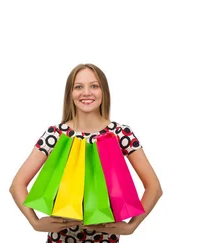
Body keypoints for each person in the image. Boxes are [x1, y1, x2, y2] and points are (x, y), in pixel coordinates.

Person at [9, 63, 163, 242]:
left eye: (94, 86)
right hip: (61, 239)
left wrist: (132, 226)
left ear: (103, 92)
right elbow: (17, 185)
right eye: (79, 87)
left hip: (106, 239)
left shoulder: (121, 134)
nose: (86, 92)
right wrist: (34, 222)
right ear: (70, 94)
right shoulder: (56, 134)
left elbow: (154, 187)